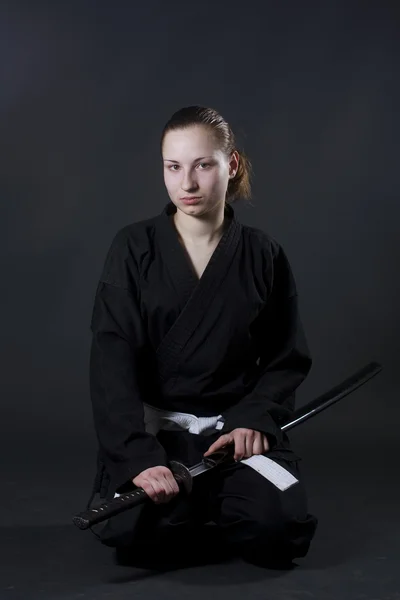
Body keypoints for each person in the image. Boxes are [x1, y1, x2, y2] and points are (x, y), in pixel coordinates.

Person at [86, 105, 318, 569]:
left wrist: (254, 418)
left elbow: (285, 357)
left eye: (202, 165)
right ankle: (199, 505)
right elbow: (111, 360)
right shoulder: (134, 247)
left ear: (230, 165)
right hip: (159, 438)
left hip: (233, 437)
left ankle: (217, 500)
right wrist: (138, 458)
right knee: (130, 535)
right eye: (173, 167)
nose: (186, 184)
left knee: (278, 533)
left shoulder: (262, 254)